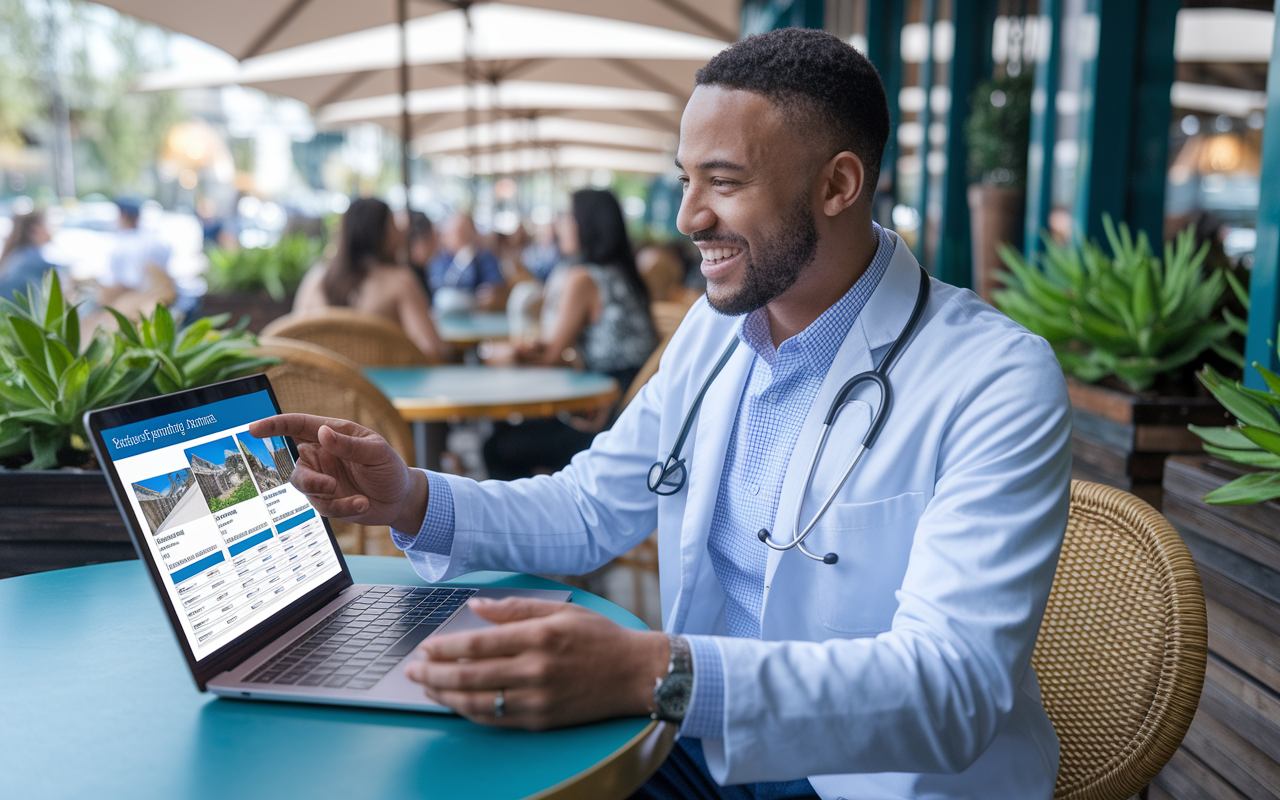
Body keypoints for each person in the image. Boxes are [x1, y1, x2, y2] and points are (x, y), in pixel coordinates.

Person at [252, 28, 1070, 800]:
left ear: (837, 185)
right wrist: (414, 500)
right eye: (686, 179)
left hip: (871, 779)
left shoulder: (994, 377)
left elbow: (953, 688)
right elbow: (588, 507)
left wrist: (655, 672)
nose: (687, 218)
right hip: (706, 740)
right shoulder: (715, 334)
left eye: (723, 181)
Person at [483, 189, 659, 480]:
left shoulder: (583, 278)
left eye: (567, 216)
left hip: (606, 416)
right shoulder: (623, 273)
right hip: (633, 408)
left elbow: (551, 355)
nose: (558, 224)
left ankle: (540, 511)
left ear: (588, 224)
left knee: (497, 446)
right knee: (514, 430)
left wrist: (498, 356)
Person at [294, 197, 449, 361]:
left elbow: (294, 343)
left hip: (325, 385)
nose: (401, 232)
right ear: (381, 232)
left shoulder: (315, 280)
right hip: (386, 386)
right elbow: (434, 350)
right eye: (393, 224)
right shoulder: (399, 282)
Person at [99, 198, 177, 318]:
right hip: (156, 299)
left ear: (123, 216)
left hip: (138, 302)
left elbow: (129, 281)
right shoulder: (152, 239)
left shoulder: (125, 244)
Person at [426, 213, 505, 312]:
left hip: (478, 315)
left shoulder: (485, 257)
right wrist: (463, 259)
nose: (463, 236)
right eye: (457, 231)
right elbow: (440, 286)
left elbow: (494, 288)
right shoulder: (440, 259)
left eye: (464, 231)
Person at [0, 210, 58, 299]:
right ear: (35, 229)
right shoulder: (32, 259)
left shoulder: (19, 253)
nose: (53, 229)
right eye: (48, 225)